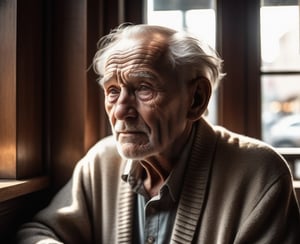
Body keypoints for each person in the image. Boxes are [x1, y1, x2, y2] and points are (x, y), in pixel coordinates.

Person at [17, 23, 300, 244]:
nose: (120, 111)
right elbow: (37, 231)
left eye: (143, 88)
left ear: (196, 99)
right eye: (113, 91)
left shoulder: (260, 174)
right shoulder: (101, 162)